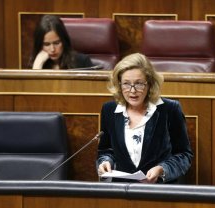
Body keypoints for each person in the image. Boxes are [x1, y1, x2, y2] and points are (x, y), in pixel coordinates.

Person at [96, 53, 193, 183]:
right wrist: (105, 162)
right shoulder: (110, 110)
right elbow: (106, 150)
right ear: (119, 84)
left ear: (150, 84)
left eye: (139, 84)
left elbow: (184, 155)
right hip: (121, 190)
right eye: (126, 84)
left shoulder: (169, 109)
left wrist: (162, 169)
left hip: (158, 191)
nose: (132, 90)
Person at [28, 14, 93, 69]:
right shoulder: (36, 62)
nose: (52, 49)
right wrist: (37, 66)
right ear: (40, 45)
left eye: (56, 43)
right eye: (47, 44)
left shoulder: (82, 62)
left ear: (64, 41)